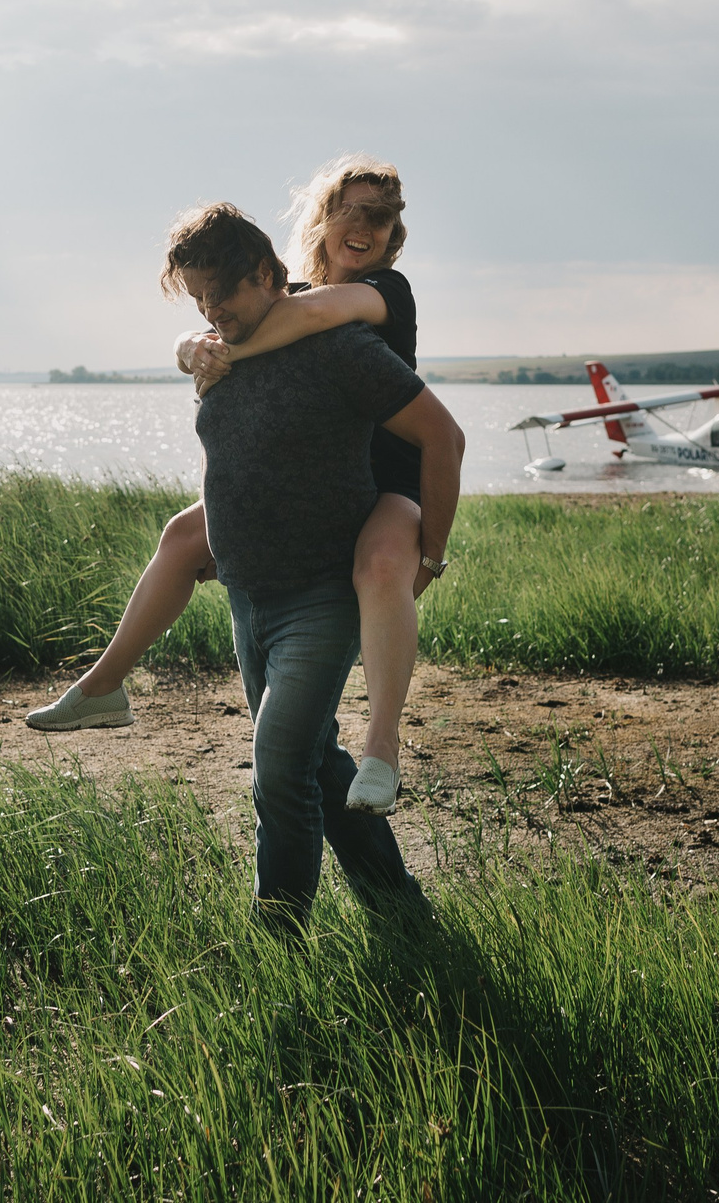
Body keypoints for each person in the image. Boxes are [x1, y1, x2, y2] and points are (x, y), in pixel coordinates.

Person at [27, 157, 432, 816]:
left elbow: (297, 319)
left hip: (387, 479)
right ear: (323, 218)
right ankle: (105, 684)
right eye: (349, 212)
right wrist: (192, 344)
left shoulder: (388, 289)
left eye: (379, 217)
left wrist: (217, 347)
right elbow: (242, 316)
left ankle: (383, 747)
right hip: (323, 473)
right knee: (183, 534)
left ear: (393, 232)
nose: (363, 227)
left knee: (381, 561)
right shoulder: (289, 287)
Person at [113, 201, 464, 933]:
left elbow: (442, 435)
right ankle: (403, 912)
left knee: (277, 768)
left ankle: (280, 944)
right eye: (200, 299)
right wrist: (195, 346)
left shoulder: (341, 340)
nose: (213, 311)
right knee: (312, 758)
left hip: (323, 588)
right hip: (251, 597)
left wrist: (431, 549)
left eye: (224, 293)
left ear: (271, 274)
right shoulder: (226, 345)